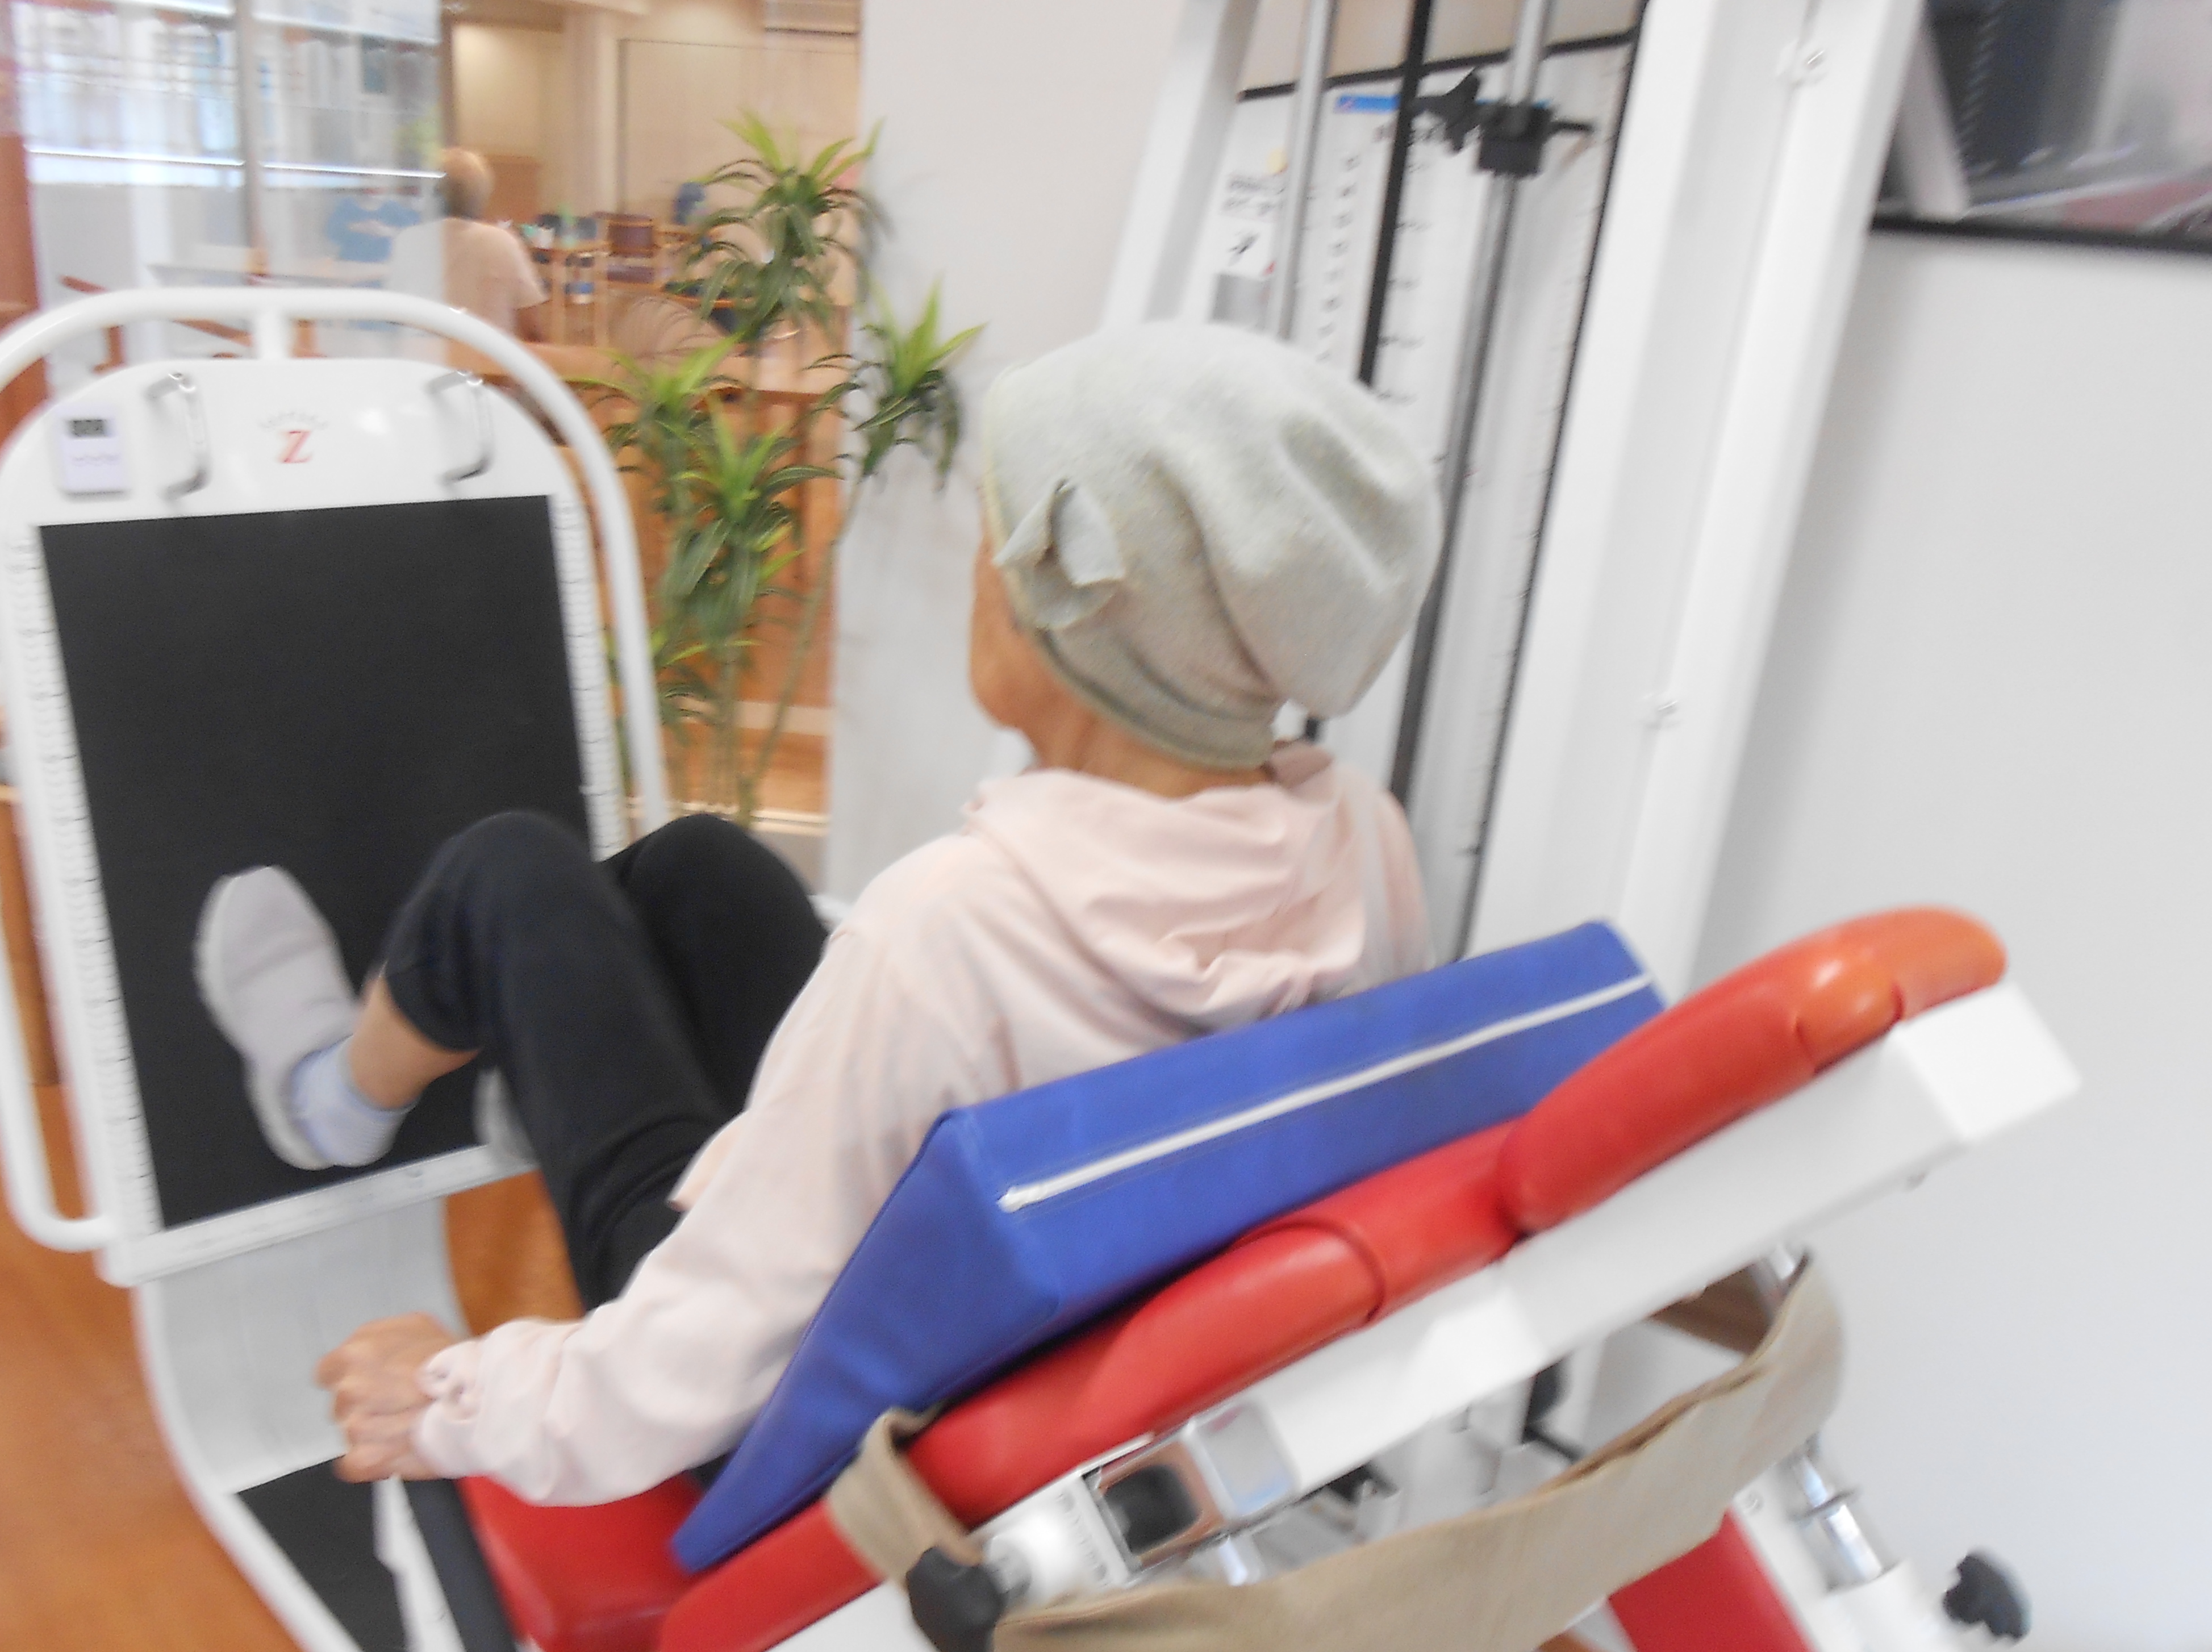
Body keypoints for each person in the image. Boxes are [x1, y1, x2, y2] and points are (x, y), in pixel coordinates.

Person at [192, 322, 1443, 1506]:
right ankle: (534, 1061)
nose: (975, 568)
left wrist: (452, 1397)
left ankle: (326, 1098)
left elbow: (678, 1373)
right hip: (978, 1316)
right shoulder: (1361, 842)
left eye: (990, 534)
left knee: (508, 872)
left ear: (1063, 603)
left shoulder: (947, 933)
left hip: (806, 1425)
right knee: (700, 868)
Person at [385, 147, 547, 343]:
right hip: (487, 358)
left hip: (424, 357)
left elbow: (393, 317)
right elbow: (532, 328)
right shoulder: (503, 242)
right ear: (482, 194)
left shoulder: (409, 240)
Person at [324, 182, 421, 264]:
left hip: (383, 264)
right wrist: (356, 227)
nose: (371, 193)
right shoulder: (347, 206)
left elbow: (413, 233)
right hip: (349, 262)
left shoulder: (392, 208)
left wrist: (387, 231)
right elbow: (331, 232)